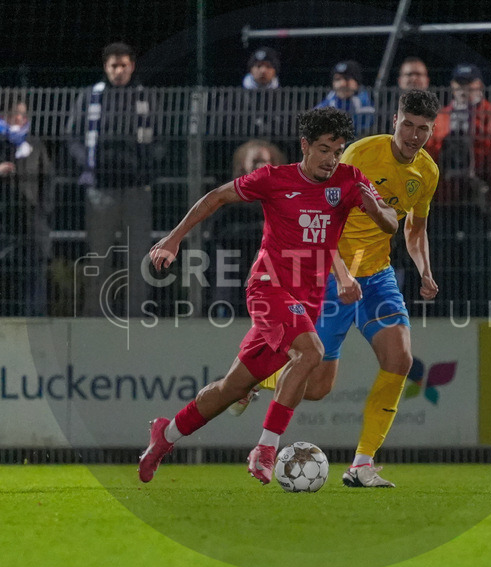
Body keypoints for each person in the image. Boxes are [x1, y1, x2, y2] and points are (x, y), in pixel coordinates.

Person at [138, 108, 398, 485]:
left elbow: (389, 223)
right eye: (324, 149)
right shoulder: (274, 179)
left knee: (232, 388)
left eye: (338, 150)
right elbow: (216, 197)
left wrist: (374, 208)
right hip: (267, 286)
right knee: (311, 352)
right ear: (305, 145)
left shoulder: (349, 180)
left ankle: (166, 434)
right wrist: (174, 238)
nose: (331, 159)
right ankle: (266, 448)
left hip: (305, 300)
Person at [233, 90, 442, 488]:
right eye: (408, 125)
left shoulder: (427, 172)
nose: (414, 135)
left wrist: (424, 271)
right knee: (317, 388)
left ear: (431, 131)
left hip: (377, 277)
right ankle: (254, 379)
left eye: (423, 129)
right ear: (395, 121)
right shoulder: (360, 155)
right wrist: (342, 275)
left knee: (400, 359)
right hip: (331, 276)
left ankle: (362, 464)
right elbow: (320, 216)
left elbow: (416, 230)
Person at [67, 42, 154, 319]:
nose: (119, 71)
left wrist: (147, 166)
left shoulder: (145, 97)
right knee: (98, 255)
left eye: (123, 65)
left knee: (138, 256)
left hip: (136, 189)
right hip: (100, 189)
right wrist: (89, 164)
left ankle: (136, 315)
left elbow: (160, 138)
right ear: (106, 67)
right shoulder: (90, 97)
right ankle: (95, 315)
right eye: (114, 66)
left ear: (132, 66)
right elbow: (73, 136)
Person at [424, 63, 491, 314]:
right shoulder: (442, 117)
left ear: (480, 86)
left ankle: (478, 313)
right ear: (453, 86)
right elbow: (429, 158)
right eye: (460, 84)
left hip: (480, 204)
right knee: (444, 263)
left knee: (479, 264)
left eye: (469, 84)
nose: (464, 89)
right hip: (445, 202)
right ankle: (446, 313)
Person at [0, 95, 54, 317]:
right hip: (0, 234)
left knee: (34, 296)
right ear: (3, 116)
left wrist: (43, 210)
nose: (21, 118)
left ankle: (35, 332)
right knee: (5, 297)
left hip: (31, 232)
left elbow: (47, 179)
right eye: (16, 114)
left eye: (24, 114)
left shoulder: (34, 143)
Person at [207, 139, 286, 317]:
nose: (260, 166)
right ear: (243, 165)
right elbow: (219, 233)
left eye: (264, 161)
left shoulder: (283, 195)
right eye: (255, 162)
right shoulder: (230, 195)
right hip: (236, 255)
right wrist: (259, 229)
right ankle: (223, 310)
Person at [317, 60, 376, 136]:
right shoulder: (326, 104)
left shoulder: (367, 104)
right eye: (338, 79)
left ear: (357, 82)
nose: (342, 84)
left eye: (347, 78)